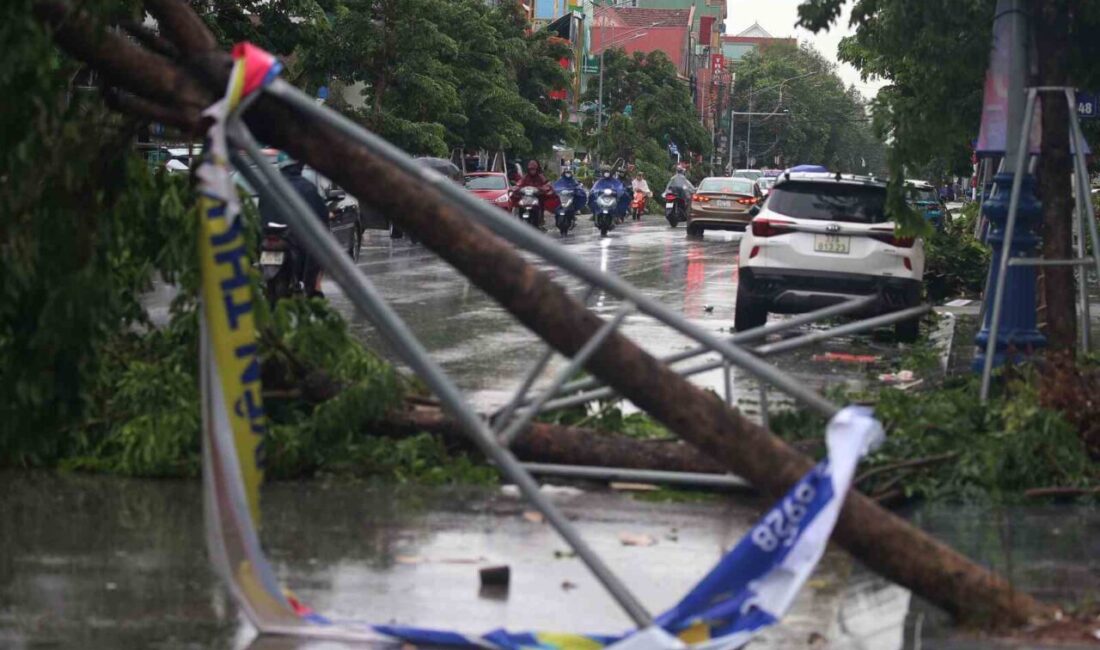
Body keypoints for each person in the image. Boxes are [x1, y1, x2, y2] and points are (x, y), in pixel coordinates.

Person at [259, 157, 328, 298]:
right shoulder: (307, 189)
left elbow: (260, 214)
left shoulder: (268, 186)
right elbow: (322, 219)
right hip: (295, 241)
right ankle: (312, 286)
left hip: (268, 241)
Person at [512, 160, 553, 228]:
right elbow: (519, 183)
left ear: (537, 169)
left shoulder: (541, 177)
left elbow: (547, 184)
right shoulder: (525, 177)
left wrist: (543, 188)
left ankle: (540, 220)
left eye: (534, 169)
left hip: (537, 197)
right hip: (526, 197)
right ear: (528, 170)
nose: (532, 171)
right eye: (531, 169)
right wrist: (516, 188)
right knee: (519, 205)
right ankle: (519, 222)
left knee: (541, 204)